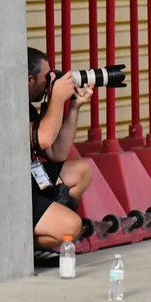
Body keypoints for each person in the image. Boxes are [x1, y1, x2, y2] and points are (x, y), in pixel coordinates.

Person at [28, 48, 94, 248]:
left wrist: (74, 106)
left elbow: (57, 153)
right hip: (12, 191)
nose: (50, 81)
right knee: (72, 227)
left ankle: (51, 219)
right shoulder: (9, 108)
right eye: (46, 77)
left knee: (81, 170)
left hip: (30, 179)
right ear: (30, 80)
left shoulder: (29, 108)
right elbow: (44, 139)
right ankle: (25, 249)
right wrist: (56, 98)